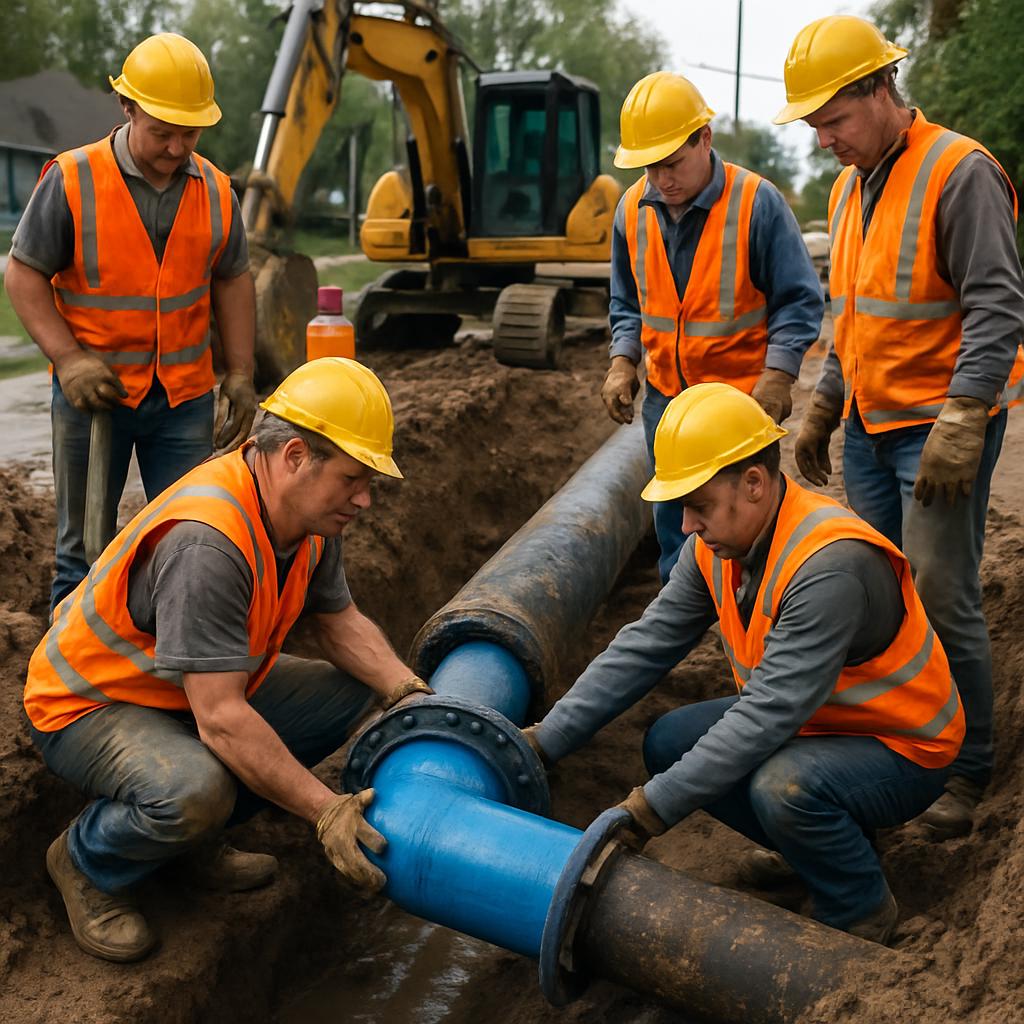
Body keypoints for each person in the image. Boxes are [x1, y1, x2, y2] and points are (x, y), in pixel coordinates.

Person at [23, 357, 433, 963]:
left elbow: (337, 620)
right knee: (196, 790)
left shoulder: (310, 517)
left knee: (347, 692)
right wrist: (326, 812)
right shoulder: (208, 541)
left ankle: (189, 844)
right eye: (354, 478)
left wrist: (409, 691)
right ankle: (87, 861)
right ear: (295, 456)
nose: (366, 499)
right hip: (92, 702)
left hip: (182, 692)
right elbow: (219, 716)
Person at [523, 383, 963, 944]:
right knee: (669, 742)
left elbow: (765, 716)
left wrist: (646, 812)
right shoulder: (716, 546)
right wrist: (545, 740)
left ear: (754, 483)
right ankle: (816, 850)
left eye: (699, 505)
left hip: (903, 746)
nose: (687, 525)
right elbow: (645, 644)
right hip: (822, 723)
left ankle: (859, 907)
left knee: (782, 787)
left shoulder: (830, 566)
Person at [775, 16, 1024, 838]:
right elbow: (854, 315)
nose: (824, 143)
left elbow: (997, 304)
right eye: (814, 128)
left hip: (936, 427)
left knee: (940, 589)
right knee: (878, 596)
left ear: (881, 90)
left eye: (834, 122)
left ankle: (969, 766)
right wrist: (824, 404)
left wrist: (962, 415)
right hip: (872, 426)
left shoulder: (961, 171)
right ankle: (900, 750)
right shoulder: (850, 190)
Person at [5, 33, 258, 614]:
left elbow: (233, 277)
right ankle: (71, 677)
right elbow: (23, 275)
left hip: (184, 398)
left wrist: (240, 372)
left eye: (188, 133)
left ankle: (170, 657)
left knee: (190, 536)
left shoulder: (217, 191)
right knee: (84, 549)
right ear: (127, 108)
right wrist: (68, 359)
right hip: (95, 397)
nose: (175, 148)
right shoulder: (73, 179)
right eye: (161, 132)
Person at [601, 71, 824, 582]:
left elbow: (799, 300)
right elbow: (626, 301)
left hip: (741, 405)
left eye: (673, 163)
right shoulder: (629, 211)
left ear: (705, 138)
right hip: (667, 402)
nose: (662, 179)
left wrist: (779, 375)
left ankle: (759, 624)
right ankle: (683, 625)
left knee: (750, 528)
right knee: (678, 525)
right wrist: (621, 361)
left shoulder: (756, 203)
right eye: (650, 167)